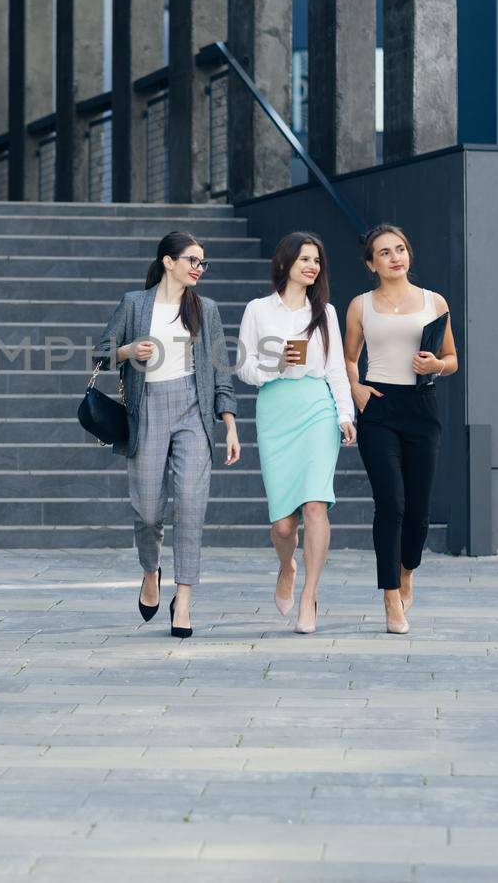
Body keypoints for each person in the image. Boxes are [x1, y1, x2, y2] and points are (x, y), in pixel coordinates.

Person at [96, 231, 239, 639]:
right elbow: (100, 350)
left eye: (202, 262)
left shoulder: (205, 309)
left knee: (191, 507)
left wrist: (228, 423)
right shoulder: (135, 304)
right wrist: (126, 352)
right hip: (148, 409)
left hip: (193, 410)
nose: (199, 268)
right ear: (168, 262)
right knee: (148, 511)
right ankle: (150, 570)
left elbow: (221, 371)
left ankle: (185, 602)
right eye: (192, 260)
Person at [236, 233, 357, 635]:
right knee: (284, 526)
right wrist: (276, 364)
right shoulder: (258, 310)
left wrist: (344, 415)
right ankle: (286, 565)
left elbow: (337, 369)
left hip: (316, 408)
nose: (312, 266)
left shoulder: (325, 312)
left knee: (316, 506)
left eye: (317, 260)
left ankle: (310, 595)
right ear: (285, 262)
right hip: (275, 409)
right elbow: (244, 368)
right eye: (304, 258)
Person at [343, 224, 458, 635]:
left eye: (401, 249)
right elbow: (350, 357)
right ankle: (391, 594)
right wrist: (355, 388)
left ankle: (408, 570)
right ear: (371, 264)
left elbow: (451, 358)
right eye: (385, 252)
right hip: (379, 407)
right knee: (390, 503)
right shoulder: (360, 305)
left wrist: (435, 366)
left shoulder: (434, 301)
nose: (395, 257)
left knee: (418, 512)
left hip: (421, 406)